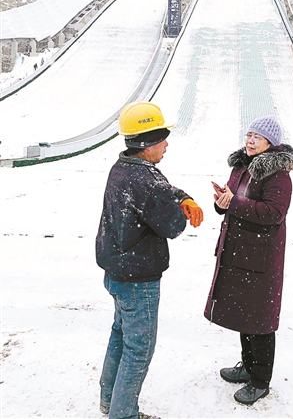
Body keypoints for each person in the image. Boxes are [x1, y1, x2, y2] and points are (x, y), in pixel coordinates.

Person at [96, 101, 204, 419]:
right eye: (163, 138)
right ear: (148, 142)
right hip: (138, 280)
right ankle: (123, 414)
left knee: (121, 335)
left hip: (116, 272)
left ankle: (110, 401)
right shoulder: (146, 182)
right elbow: (172, 226)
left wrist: (181, 196)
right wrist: (180, 210)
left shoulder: (123, 167)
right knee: (139, 350)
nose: (167, 144)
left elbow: (161, 189)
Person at [204, 116, 293, 405]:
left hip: (261, 257)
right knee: (244, 314)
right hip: (238, 252)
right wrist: (222, 202)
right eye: (248, 135)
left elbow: (274, 213)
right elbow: (233, 200)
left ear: (271, 143)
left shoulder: (278, 175)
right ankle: (247, 366)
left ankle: (260, 381)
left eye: (257, 137)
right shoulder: (242, 166)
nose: (250, 140)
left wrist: (234, 202)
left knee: (261, 320)